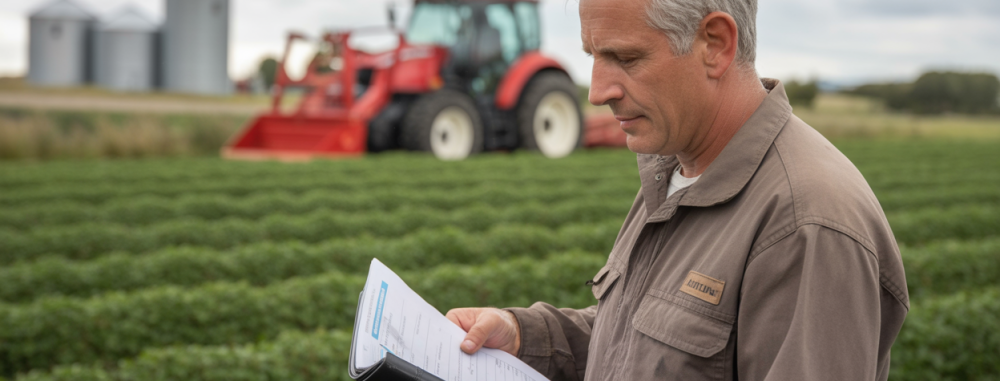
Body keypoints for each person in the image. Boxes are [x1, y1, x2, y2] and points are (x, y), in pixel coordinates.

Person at [446, 0, 909, 379]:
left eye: (625, 58)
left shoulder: (806, 224)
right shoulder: (677, 166)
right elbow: (647, 345)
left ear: (715, 44)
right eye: (593, 56)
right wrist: (524, 334)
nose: (597, 90)